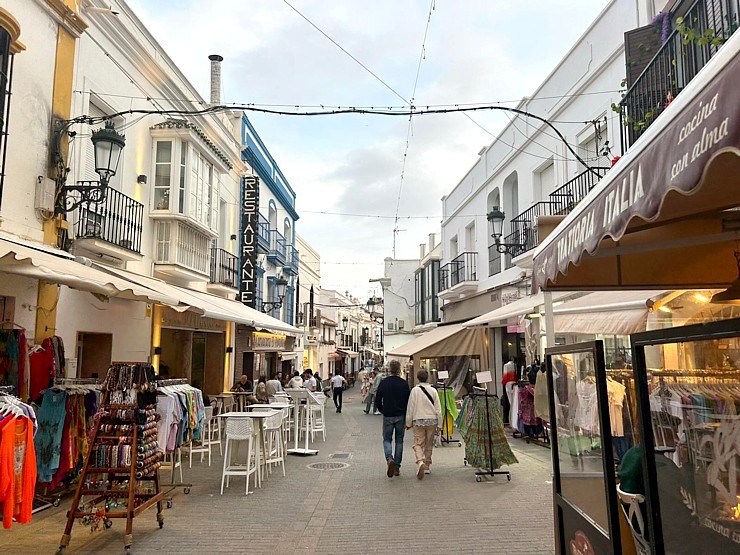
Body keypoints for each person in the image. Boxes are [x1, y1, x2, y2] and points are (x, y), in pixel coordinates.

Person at [374, 360, 410, 477]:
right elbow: (408, 401)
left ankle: (389, 459)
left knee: (387, 439)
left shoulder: (384, 383)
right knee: (399, 441)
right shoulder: (404, 384)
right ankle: (397, 467)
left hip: (388, 415)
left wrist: (382, 410)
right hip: (400, 415)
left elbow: (378, 399)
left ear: (390, 369)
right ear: (399, 370)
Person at [405, 369, 442, 480]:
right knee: (429, 444)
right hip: (432, 420)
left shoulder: (414, 391)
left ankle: (420, 461)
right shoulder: (433, 391)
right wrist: (440, 424)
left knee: (418, 443)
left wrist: (408, 422)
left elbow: (410, 408)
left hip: (418, 420)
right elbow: (438, 409)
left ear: (418, 378)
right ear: (428, 378)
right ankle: (427, 466)